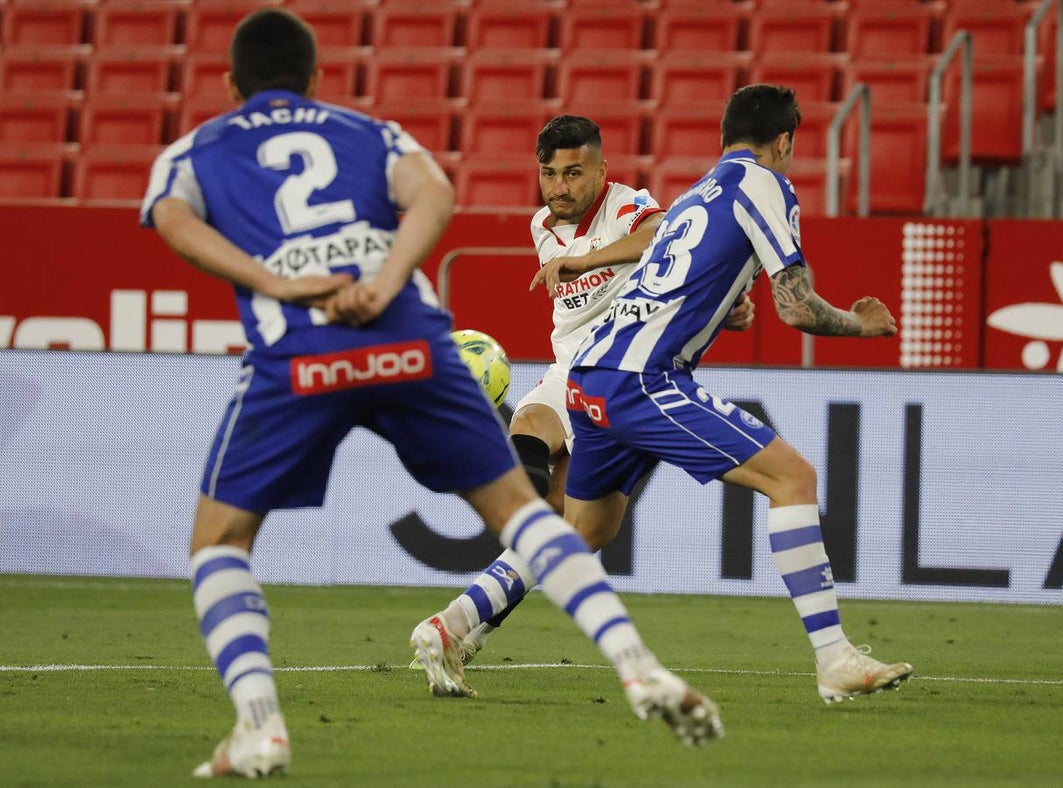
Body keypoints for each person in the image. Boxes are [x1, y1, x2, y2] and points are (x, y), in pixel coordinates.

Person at [141, 10, 722, 778]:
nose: (559, 185)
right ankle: (638, 665)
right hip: (414, 332)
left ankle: (258, 726)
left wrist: (274, 281)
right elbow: (436, 196)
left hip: (300, 342)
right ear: (318, 80)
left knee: (219, 542)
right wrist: (383, 282)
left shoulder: (196, 148)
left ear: (228, 84)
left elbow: (170, 220)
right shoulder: (375, 135)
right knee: (538, 515)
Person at [429, 84, 914, 705]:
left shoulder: (692, 198)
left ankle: (454, 625)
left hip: (590, 376)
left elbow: (677, 281)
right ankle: (835, 658)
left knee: (582, 530)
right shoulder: (765, 186)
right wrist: (859, 324)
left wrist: (723, 310)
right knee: (793, 479)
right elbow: (795, 307)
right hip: (641, 380)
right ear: (785, 142)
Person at [411, 115, 754, 667]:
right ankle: (457, 627)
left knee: (578, 536)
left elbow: (664, 237)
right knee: (527, 431)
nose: (559, 187)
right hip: (569, 366)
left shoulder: (624, 205)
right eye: (549, 173)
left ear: (602, 170)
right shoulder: (541, 226)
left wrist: (586, 260)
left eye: (574, 173)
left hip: (626, 371)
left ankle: (463, 622)